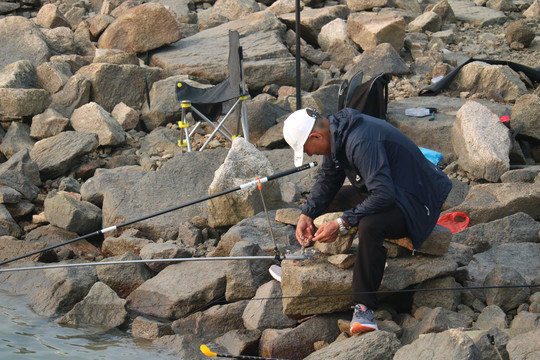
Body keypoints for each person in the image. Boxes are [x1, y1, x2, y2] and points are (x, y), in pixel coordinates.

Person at [282, 107, 452, 334]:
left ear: (316, 136)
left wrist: (343, 223)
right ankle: (309, 252)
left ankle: (364, 309)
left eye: (307, 149)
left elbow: (384, 194)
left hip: (416, 202)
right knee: (332, 198)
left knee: (369, 225)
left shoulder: (360, 140)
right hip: (390, 189)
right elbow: (328, 179)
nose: (310, 155)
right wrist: (307, 214)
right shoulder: (337, 133)